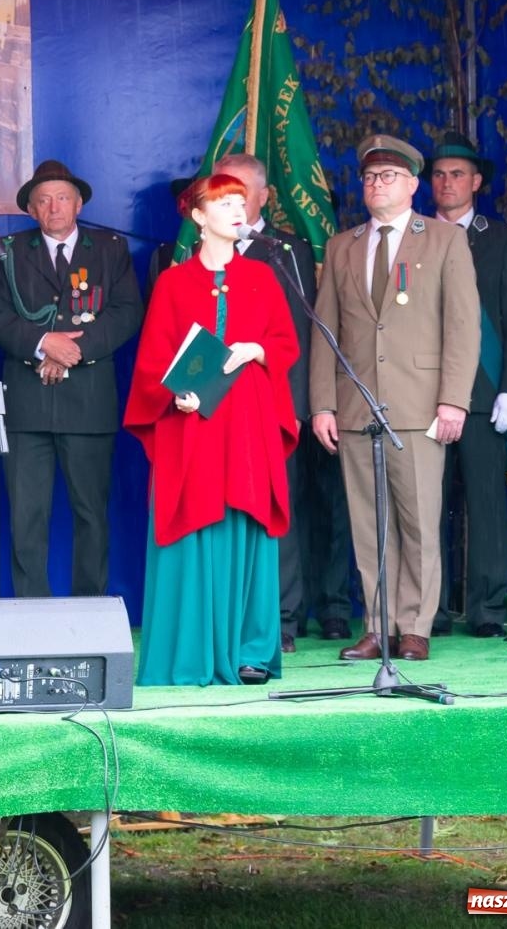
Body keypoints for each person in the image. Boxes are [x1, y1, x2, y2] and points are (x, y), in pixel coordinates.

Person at [124, 173, 298, 686]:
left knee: (247, 524)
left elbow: (286, 343)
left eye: (241, 201)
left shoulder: (263, 277)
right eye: (224, 202)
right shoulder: (173, 283)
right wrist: (173, 394)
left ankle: (251, 650)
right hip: (192, 425)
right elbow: (153, 359)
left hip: (247, 423)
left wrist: (258, 350)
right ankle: (190, 651)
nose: (237, 209)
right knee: (194, 525)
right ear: (198, 217)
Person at [311, 134, 479, 664]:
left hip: (420, 403)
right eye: (368, 177)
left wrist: (454, 400)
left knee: (418, 520)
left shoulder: (444, 241)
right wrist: (322, 403)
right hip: (358, 405)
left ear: (412, 185)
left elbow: (462, 325)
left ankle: (415, 626)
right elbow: (326, 332)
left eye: (386, 177)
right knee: (368, 522)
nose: (374, 185)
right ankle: (377, 624)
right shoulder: (343, 245)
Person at [214, 152, 353, 651]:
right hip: (218, 408)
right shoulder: (203, 249)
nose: (229, 199)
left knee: (281, 512)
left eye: (240, 191)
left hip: (273, 404)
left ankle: (282, 618)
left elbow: (299, 335)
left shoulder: (285, 251)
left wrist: (297, 405)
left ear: (263, 198)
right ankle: (229, 616)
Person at [0, 159, 141, 598]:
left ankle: (90, 607)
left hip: (89, 402)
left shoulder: (110, 249)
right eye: (43, 200)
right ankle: (31, 609)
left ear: (77, 204)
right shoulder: (9, 252)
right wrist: (43, 343)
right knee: (27, 514)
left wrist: (73, 351)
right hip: (27, 403)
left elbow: (127, 312)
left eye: (61, 198)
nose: (52, 207)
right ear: (32, 211)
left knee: (91, 512)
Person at [427, 131, 507, 638]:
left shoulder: (502, 238)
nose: (447, 183)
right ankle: (432, 611)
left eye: (457, 174)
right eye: (440, 174)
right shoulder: (414, 236)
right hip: (425, 396)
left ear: (477, 182)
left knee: (488, 507)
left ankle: (488, 610)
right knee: (427, 508)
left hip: (485, 398)